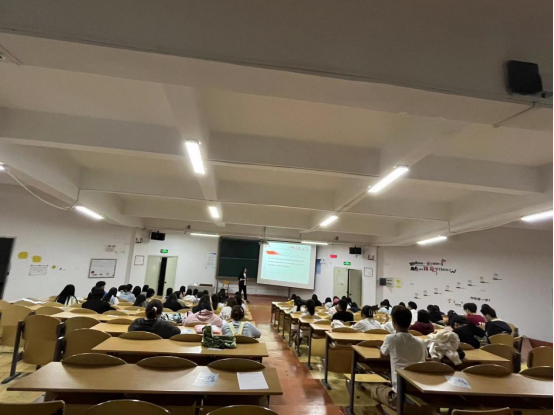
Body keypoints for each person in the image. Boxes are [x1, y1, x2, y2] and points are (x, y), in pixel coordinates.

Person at [367, 306, 427, 409]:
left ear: (394, 323)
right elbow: (426, 357)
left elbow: (383, 354)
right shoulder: (421, 342)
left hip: (399, 397)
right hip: (420, 393)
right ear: (410, 323)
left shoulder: (391, 339)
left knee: (374, 389)